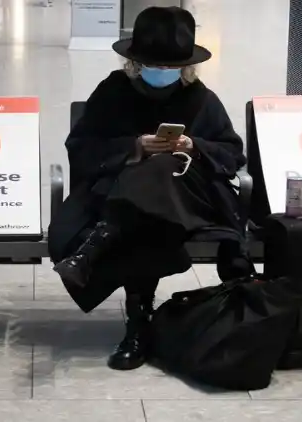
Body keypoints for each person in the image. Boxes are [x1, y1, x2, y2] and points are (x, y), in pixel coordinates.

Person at [47, 6, 251, 371]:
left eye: (171, 68)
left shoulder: (200, 98)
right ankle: (139, 320)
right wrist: (134, 148)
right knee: (148, 206)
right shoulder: (113, 92)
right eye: (156, 66)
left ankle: (104, 266)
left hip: (187, 194)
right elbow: (81, 146)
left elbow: (232, 151)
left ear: (185, 68)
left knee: (158, 176)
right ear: (137, 63)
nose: (163, 73)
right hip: (131, 199)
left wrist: (194, 147)